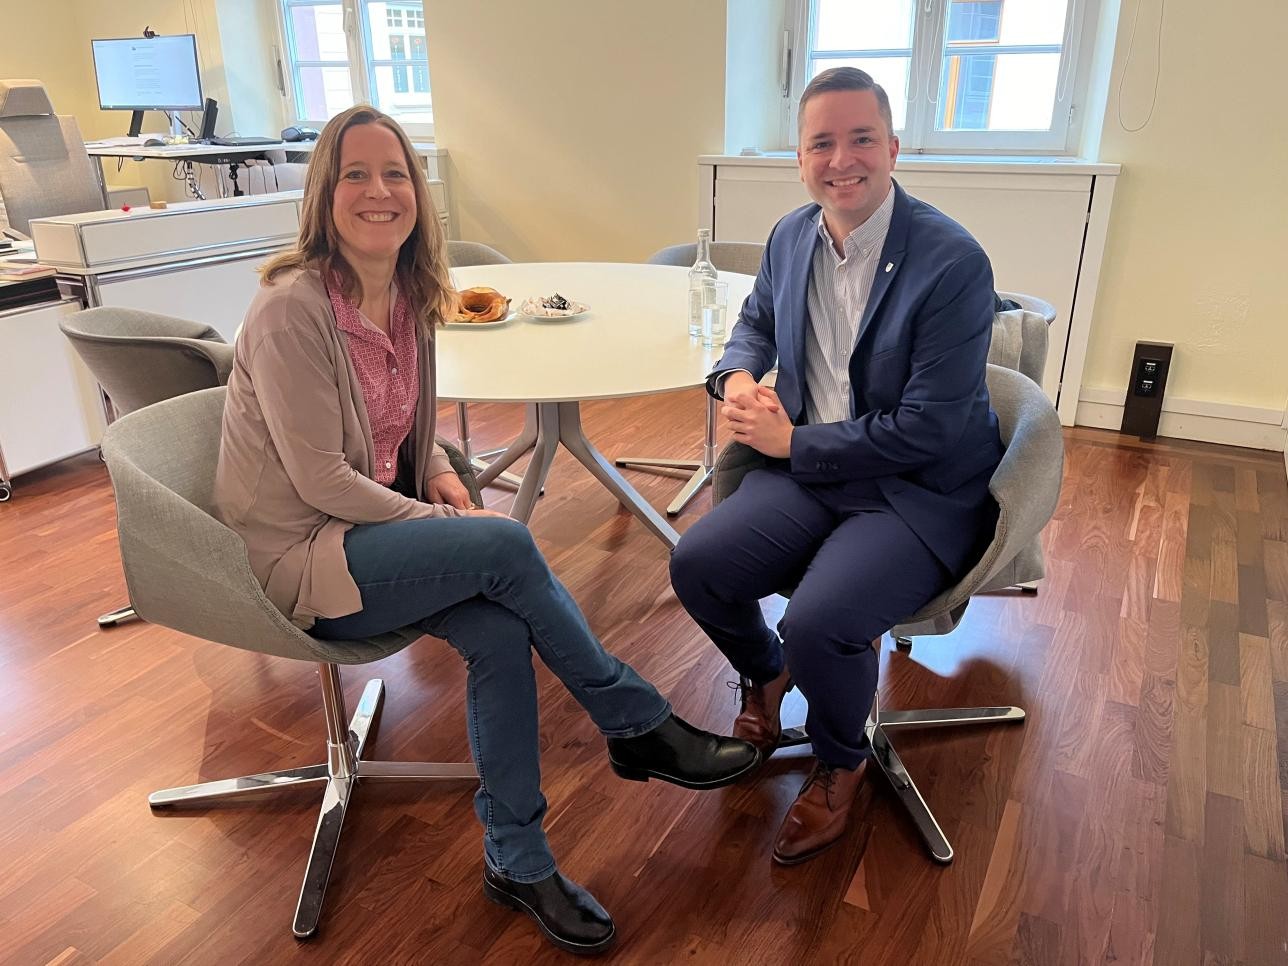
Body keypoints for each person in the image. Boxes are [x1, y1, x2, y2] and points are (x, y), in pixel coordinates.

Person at [214, 105, 757, 955]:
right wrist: (440, 517)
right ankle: (636, 723)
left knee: (503, 634)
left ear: (418, 196)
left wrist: (431, 464)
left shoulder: (405, 294)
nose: (379, 191)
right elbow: (321, 476)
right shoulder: (291, 310)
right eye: (355, 173)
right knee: (503, 541)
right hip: (305, 558)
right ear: (323, 195)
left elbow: (395, 420)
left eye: (395, 173)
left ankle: (517, 857)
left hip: (367, 537)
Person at [669, 68, 1003, 866]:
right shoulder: (792, 236)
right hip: (818, 472)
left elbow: (928, 430)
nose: (841, 158)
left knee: (821, 619)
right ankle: (766, 673)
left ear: (893, 148)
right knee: (699, 563)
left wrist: (793, 447)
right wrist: (737, 378)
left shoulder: (952, 262)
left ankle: (840, 759)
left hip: (914, 492)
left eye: (861, 139)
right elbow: (753, 324)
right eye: (822, 141)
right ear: (800, 156)